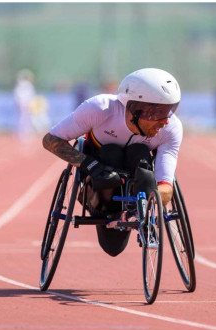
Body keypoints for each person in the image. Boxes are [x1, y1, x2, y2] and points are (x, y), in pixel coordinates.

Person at [42, 68, 182, 257]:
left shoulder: (171, 129)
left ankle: (133, 210)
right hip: (100, 177)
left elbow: (165, 185)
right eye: (158, 112)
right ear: (135, 108)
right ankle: (104, 211)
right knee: (111, 152)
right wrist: (89, 165)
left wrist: (148, 205)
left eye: (170, 110)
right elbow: (51, 140)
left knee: (139, 152)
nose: (165, 121)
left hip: (137, 180)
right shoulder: (99, 109)